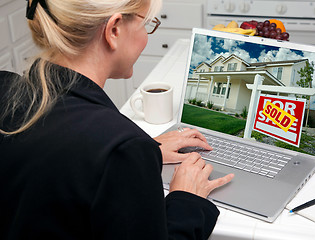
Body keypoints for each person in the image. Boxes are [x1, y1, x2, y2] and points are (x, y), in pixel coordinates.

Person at [0, 0, 234, 239]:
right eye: (146, 25)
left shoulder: (5, 88)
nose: (146, 36)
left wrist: (139, 153)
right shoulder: (122, 148)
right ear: (114, 30)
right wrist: (187, 199)